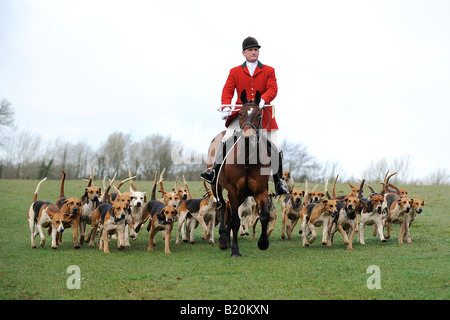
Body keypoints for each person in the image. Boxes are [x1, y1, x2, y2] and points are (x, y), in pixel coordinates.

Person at [201, 36, 288, 195]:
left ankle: (278, 182)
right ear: (244, 53)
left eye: (256, 50)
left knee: (275, 146)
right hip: (241, 115)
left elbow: (272, 89)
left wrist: (264, 100)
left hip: (263, 115)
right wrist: (227, 106)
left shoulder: (269, 70)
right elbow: (227, 90)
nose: (253, 52)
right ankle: (213, 171)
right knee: (226, 139)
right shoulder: (234, 71)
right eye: (250, 50)